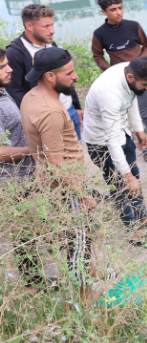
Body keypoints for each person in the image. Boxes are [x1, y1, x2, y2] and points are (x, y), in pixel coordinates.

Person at [19, 47, 96, 299]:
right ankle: (83, 302)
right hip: (66, 187)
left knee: (74, 241)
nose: (75, 77)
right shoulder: (50, 111)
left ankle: (84, 281)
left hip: (56, 185)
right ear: (50, 76)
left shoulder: (32, 96)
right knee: (79, 245)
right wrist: (82, 194)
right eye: (69, 73)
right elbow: (56, 164)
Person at [83, 57, 147, 241]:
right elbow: (110, 140)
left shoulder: (128, 73)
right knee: (120, 185)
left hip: (121, 133)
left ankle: (142, 217)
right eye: (146, 84)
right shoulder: (108, 92)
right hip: (101, 143)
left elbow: (132, 98)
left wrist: (139, 130)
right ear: (131, 76)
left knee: (134, 176)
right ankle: (132, 231)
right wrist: (126, 176)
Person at [90, 0, 147, 170]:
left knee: (146, 114)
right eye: (113, 9)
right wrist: (111, 72)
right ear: (103, 12)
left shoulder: (134, 26)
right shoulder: (100, 34)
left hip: (142, 79)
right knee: (128, 116)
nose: (118, 12)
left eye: (120, 8)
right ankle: (137, 149)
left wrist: (140, 65)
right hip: (121, 83)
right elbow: (97, 56)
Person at [6, 4, 83, 139]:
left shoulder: (50, 44)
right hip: (46, 118)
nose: (52, 30)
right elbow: (14, 91)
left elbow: (67, 75)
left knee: (76, 155)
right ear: (29, 26)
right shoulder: (15, 53)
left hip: (69, 111)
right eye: (46, 26)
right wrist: (39, 115)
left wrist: (76, 106)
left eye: (52, 25)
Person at [0, 47, 35, 179]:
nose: (10, 69)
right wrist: (35, 150)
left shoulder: (2, 90)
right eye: (2, 67)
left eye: (7, 64)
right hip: (10, 183)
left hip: (26, 176)